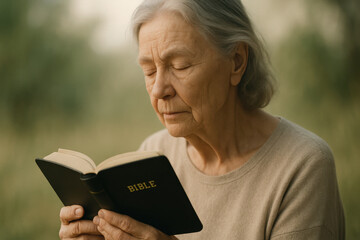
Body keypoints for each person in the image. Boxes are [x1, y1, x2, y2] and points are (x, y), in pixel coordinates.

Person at [59, 0, 345, 239]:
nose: (159, 89)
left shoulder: (303, 165)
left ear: (236, 62)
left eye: (179, 65)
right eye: (149, 71)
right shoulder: (151, 155)